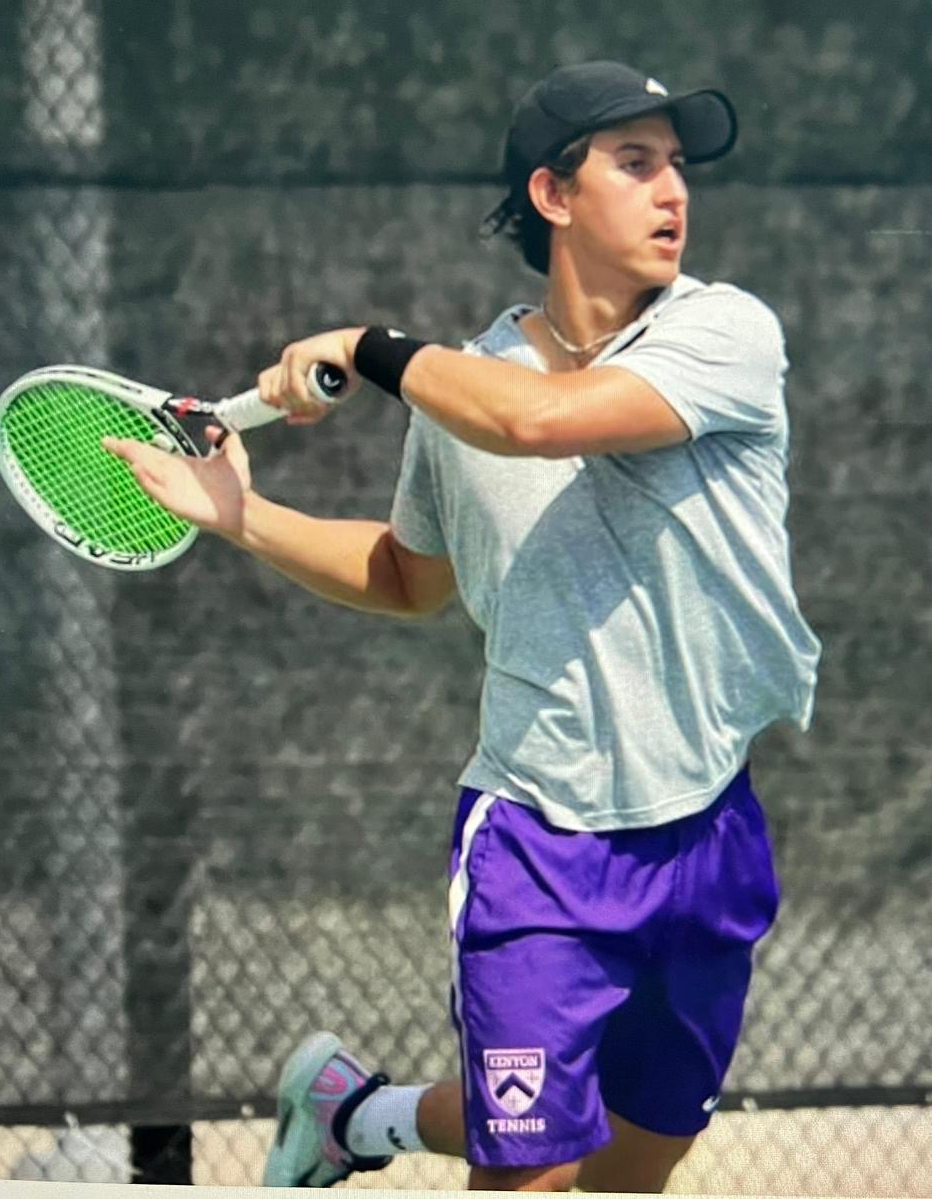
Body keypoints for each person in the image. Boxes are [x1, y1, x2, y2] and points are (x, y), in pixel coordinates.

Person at [103, 59, 821, 1194]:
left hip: (704, 831)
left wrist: (368, 347)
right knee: (536, 1163)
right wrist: (239, 516)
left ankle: (358, 1115)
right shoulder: (461, 389)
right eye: (634, 164)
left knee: (636, 1160)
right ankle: (376, 1117)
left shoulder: (723, 334)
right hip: (537, 843)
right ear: (553, 195)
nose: (672, 190)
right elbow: (405, 578)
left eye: (676, 165)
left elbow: (540, 425)